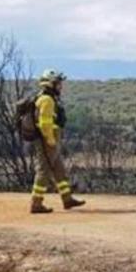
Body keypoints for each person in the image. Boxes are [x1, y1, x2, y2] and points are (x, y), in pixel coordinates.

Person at [29, 69, 86, 214]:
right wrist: (50, 139)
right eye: (58, 83)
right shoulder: (47, 100)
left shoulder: (47, 98)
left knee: (59, 170)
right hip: (47, 141)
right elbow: (44, 123)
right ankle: (36, 203)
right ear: (50, 84)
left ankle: (67, 199)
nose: (60, 86)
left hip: (50, 140)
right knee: (44, 171)